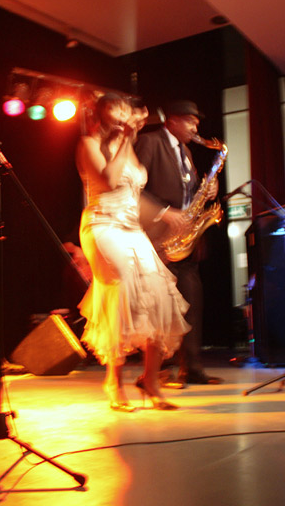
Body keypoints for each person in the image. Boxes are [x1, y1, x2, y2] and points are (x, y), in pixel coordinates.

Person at [76, 93, 190, 411]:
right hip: (103, 226)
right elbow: (109, 182)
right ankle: (113, 382)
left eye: (126, 111)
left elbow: (133, 194)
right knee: (123, 293)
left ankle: (151, 382)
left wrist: (164, 220)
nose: (124, 116)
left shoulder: (128, 146)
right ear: (101, 115)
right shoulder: (88, 144)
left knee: (159, 296)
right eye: (117, 110)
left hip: (131, 229)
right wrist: (125, 141)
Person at [134, 99, 221, 386]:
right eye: (190, 121)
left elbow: (187, 192)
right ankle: (158, 371)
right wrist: (164, 213)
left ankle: (192, 367)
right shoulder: (150, 142)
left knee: (191, 303)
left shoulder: (186, 151)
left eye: (196, 122)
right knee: (160, 307)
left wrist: (207, 189)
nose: (196, 128)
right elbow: (134, 188)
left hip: (185, 241)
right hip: (158, 237)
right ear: (171, 121)